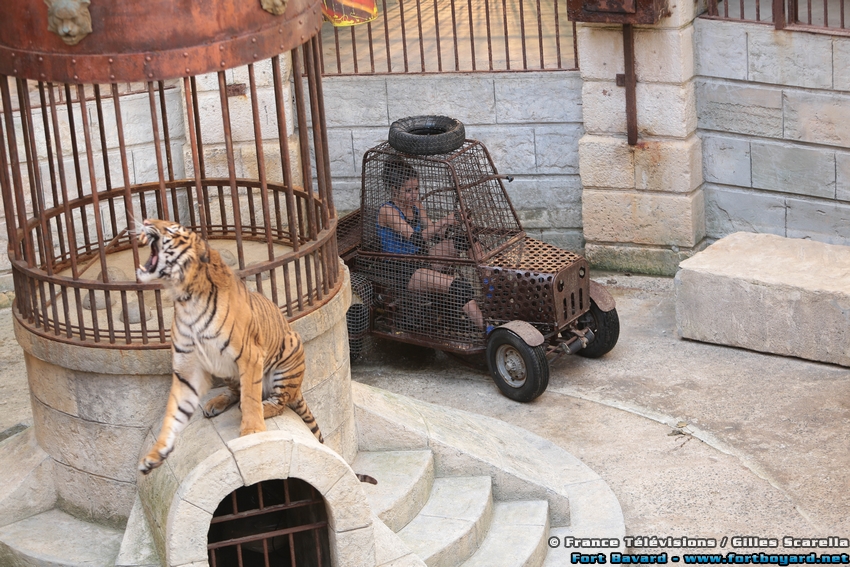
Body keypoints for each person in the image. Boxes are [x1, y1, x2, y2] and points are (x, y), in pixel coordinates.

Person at [376, 157, 485, 331]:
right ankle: (490, 332)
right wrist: (444, 221)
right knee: (460, 287)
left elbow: (435, 232)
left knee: (465, 240)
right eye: (408, 190)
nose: (414, 195)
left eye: (416, 189)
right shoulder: (387, 211)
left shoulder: (416, 205)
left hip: (422, 258)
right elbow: (416, 239)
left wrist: (456, 220)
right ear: (394, 189)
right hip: (401, 270)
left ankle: (491, 291)